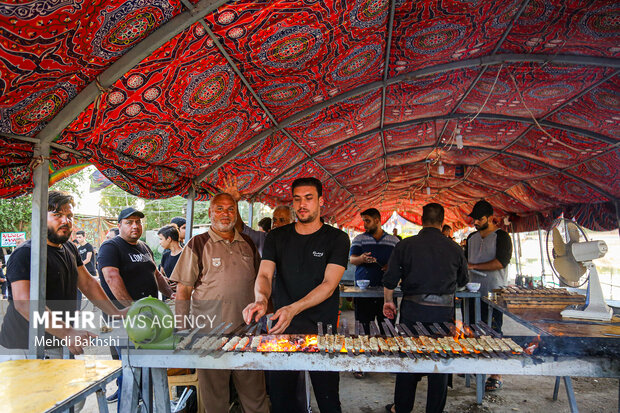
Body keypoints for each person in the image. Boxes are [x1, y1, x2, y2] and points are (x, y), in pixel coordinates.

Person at [243, 177, 350, 413]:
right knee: (282, 400)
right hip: (282, 330)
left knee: (328, 398)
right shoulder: (277, 237)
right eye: (297, 199)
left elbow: (329, 284)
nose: (302, 204)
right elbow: (264, 275)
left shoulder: (337, 239)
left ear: (321, 201)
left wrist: (293, 308)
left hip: (322, 329)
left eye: (309, 198)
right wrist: (261, 299)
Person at [171, 193, 269, 413]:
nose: (226, 214)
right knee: (215, 400)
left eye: (231, 209)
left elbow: (260, 283)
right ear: (210, 212)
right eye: (220, 209)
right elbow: (183, 290)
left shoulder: (249, 244)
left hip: (247, 334)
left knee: (255, 397)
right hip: (209, 335)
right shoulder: (198, 243)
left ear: (237, 213)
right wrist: (183, 328)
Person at [0, 191, 126, 355]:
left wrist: (115, 312)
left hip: (55, 341)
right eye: (57, 214)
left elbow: (88, 284)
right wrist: (67, 332)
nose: (65, 221)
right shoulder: (26, 252)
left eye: (69, 215)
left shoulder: (70, 248)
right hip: (22, 346)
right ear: (41, 217)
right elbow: (24, 302)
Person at [383, 203, 468, 413]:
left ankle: (401, 408)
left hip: (413, 311)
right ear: (442, 221)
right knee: (439, 361)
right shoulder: (455, 248)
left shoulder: (405, 245)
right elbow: (464, 280)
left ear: (421, 220)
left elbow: (390, 279)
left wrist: (389, 301)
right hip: (443, 313)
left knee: (409, 357)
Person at [98, 207, 173, 404]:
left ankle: (149, 405)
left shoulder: (144, 247)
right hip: (123, 319)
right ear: (119, 225)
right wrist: (135, 310)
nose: (135, 226)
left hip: (148, 318)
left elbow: (156, 275)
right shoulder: (111, 247)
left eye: (138, 222)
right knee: (130, 371)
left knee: (148, 368)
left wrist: (172, 295)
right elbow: (111, 278)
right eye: (129, 222)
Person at [465, 200, 512, 392]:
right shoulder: (471, 238)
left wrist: (474, 266)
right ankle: (476, 364)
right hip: (472, 291)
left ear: (490, 218)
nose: (476, 222)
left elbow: (501, 262)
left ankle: (495, 373)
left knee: (493, 332)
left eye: (480, 219)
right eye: (474, 219)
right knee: (472, 329)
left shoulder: (502, 236)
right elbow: (465, 261)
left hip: (493, 292)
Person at [349, 208, 399, 337]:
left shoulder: (394, 241)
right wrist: (362, 259)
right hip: (363, 293)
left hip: (387, 293)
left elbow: (400, 264)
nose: (365, 224)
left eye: (367, 221)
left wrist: (391, 266)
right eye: (364, 221)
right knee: (364, 330)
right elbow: (352, 259)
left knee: (387, 331)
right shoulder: (359, 239)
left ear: (377, 220)